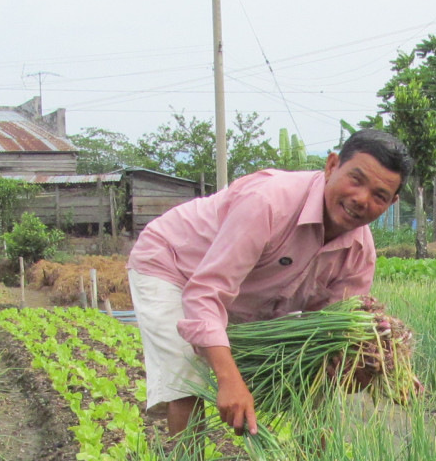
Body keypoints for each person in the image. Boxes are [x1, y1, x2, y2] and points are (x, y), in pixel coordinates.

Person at [126, 128, 411, 438]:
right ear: (331, 166)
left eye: (379, 196)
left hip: (245, 295)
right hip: (175, 265)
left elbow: (329, 339)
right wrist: (229, 379)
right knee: (187, 380)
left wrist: (376, 369)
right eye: (356, 180)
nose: (361, 199)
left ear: (392, 202)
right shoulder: (269, 202)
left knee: (314, 382)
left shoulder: (358, 253)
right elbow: (205, 293)